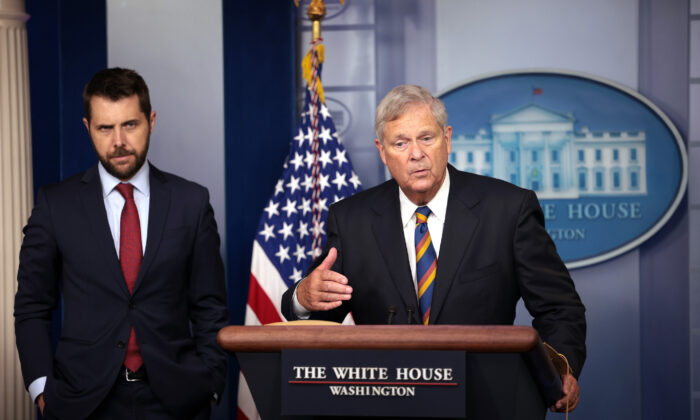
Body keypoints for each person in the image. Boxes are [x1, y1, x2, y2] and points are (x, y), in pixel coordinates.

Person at [282, 85, 586, 414]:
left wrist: (557, 369)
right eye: (401, 143)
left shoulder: (508, 209)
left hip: (487, 404)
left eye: (426, 138)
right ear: (382, 152)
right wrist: (303, 297)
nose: (416, 154)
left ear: (448, 139)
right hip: (384, 404)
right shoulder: (351, 220)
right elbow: (322, 312)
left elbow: (559, 309)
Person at [14, 68, 228, 420]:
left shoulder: (191, 201)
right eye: (105, 128)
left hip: (178, 400)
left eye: (130, 125)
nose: (119, 141)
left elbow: (210, 307)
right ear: (88, 128)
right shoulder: (56, 204)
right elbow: (32, 306)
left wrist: (210, 384)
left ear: (151, 121)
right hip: (81, 401)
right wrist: (41, 389)